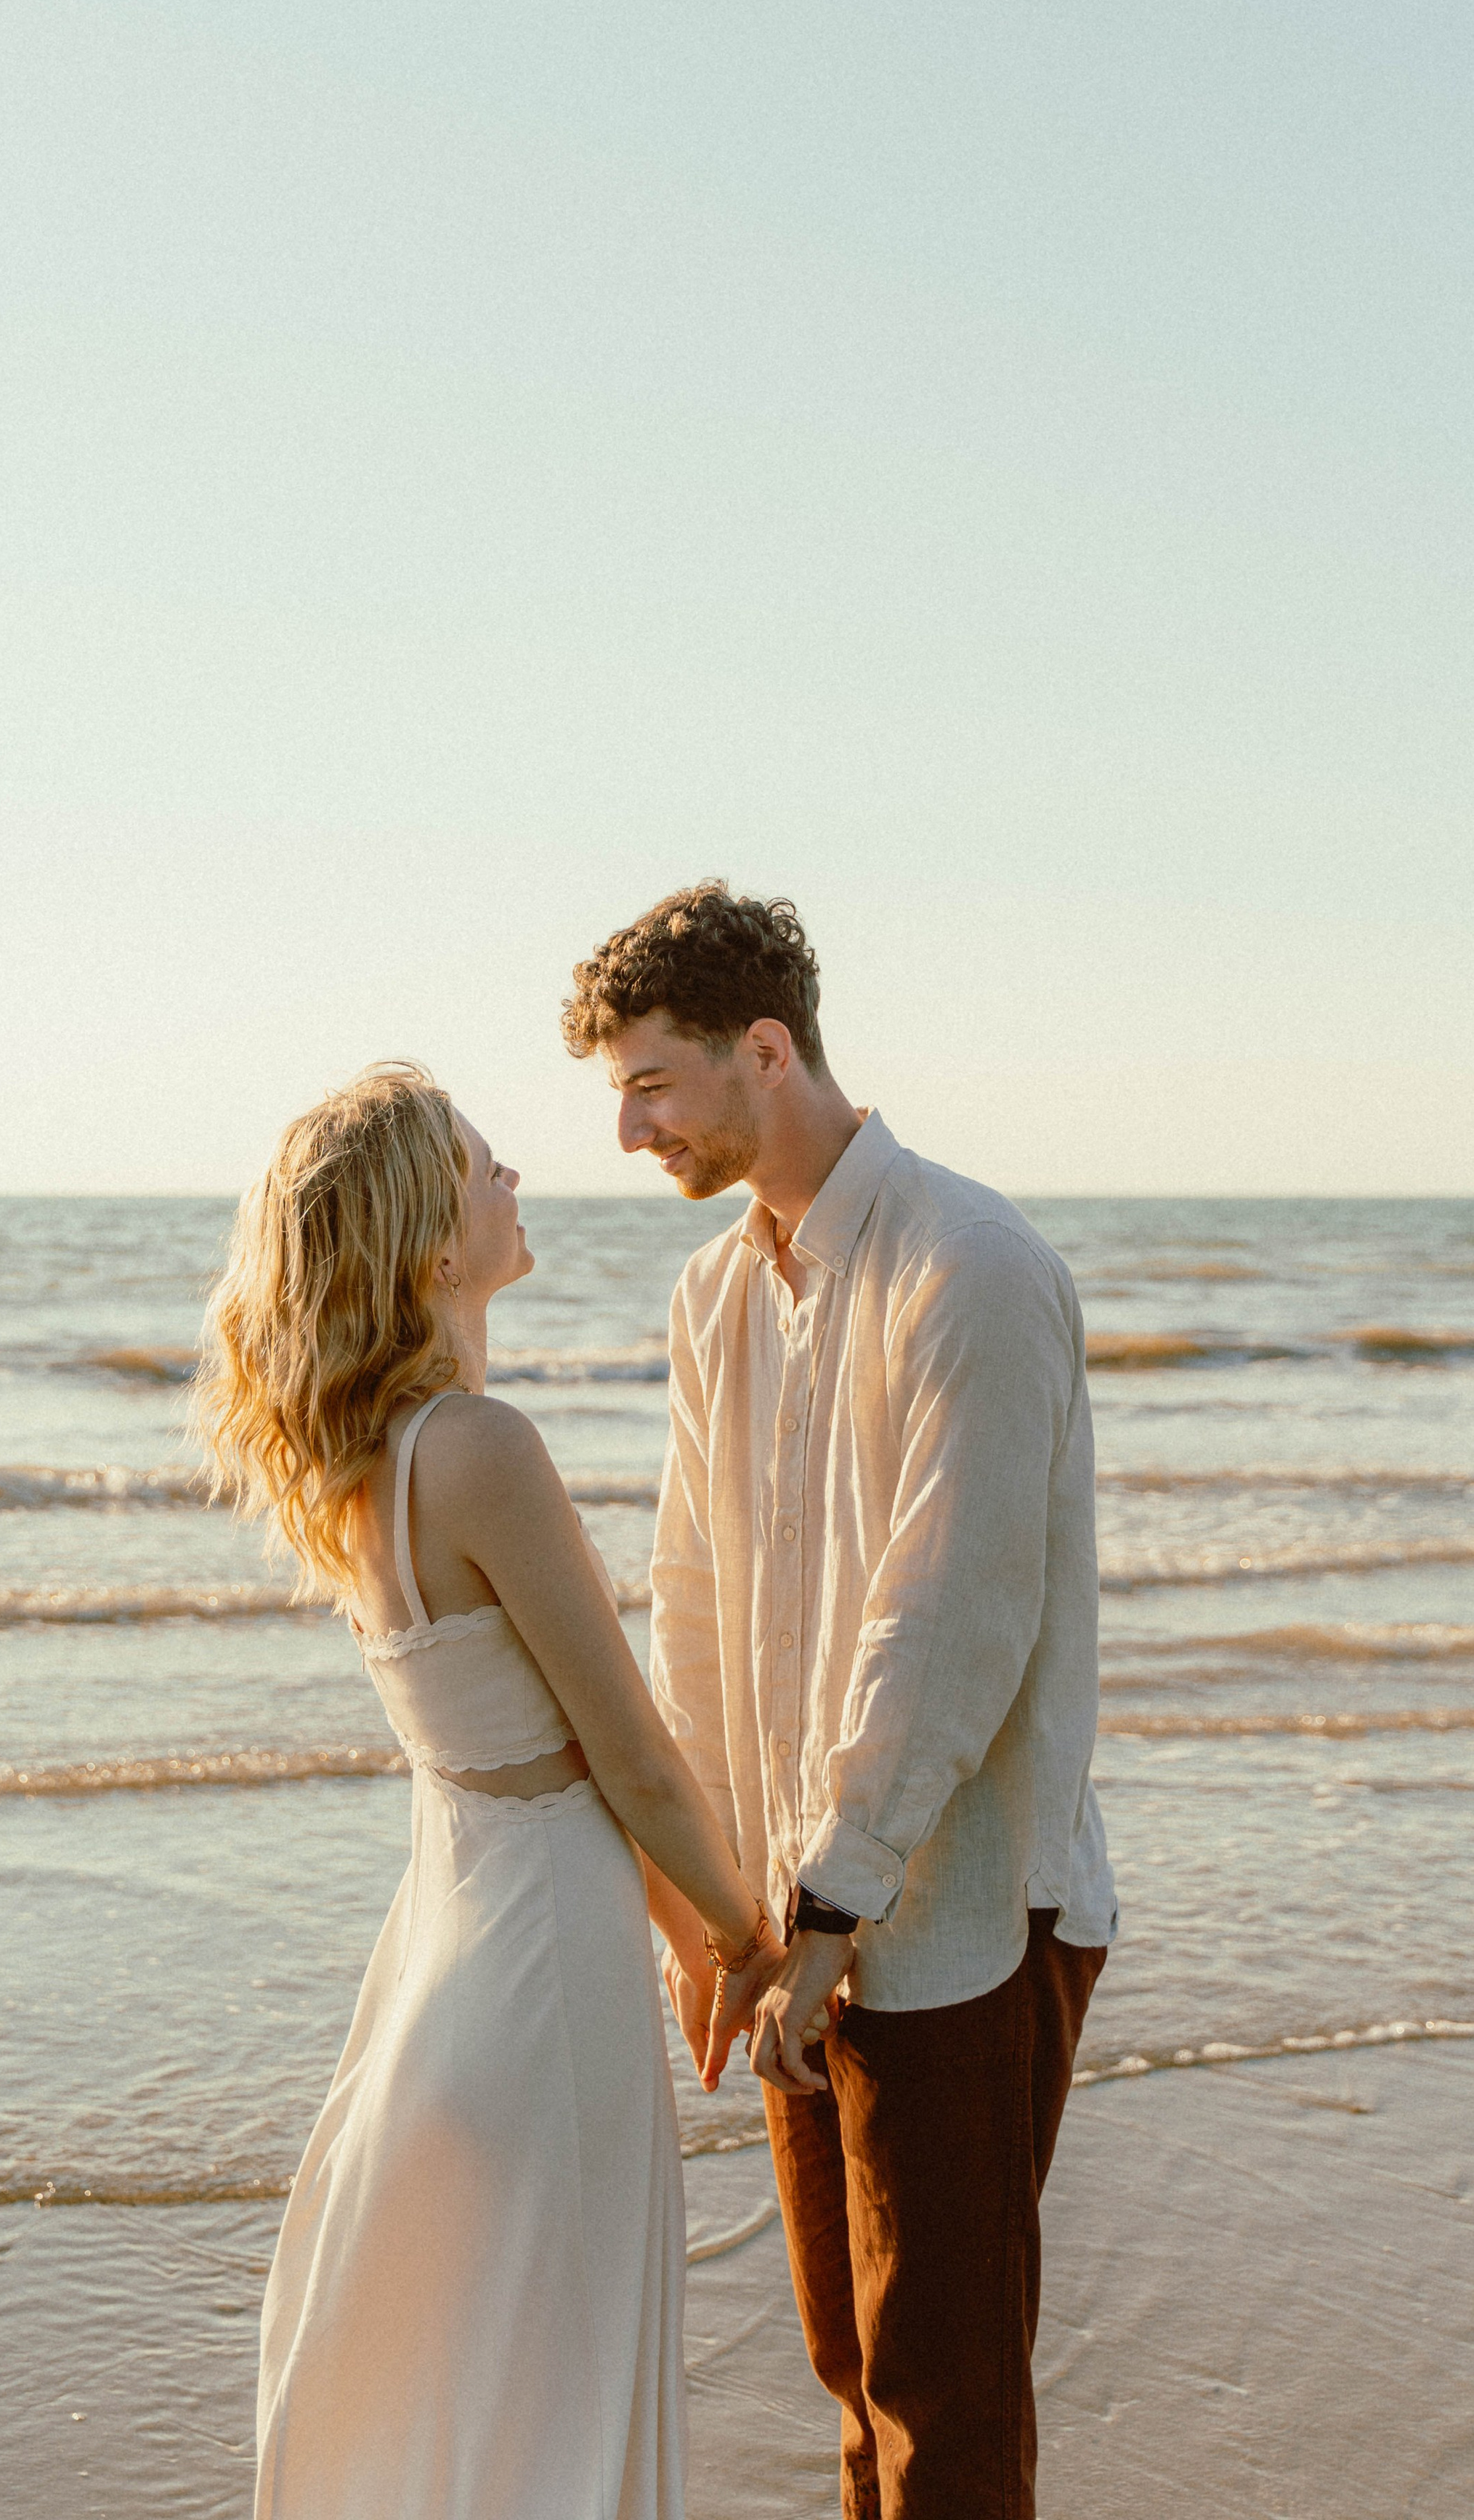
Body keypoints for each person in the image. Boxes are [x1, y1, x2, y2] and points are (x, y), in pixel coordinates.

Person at [563, 885, 1118, 2520]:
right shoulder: (713, 1300)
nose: (623, 1129)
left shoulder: (973, 1265)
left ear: (764, 1046)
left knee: (939, 2390)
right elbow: (699, 1613)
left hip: (951, 1918)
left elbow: (946, 1623)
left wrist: (823, 1903)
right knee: (848, 2370)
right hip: (791, 1920)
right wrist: (719, 1911)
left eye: (649, 1082)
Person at [198, 1061, 782, 2520]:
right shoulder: (478, 1448)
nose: (513, 1175)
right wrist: (746, 1936)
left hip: (456, 1955)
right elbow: (631, 1753)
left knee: (480, 2387)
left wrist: (679, 1931)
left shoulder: (360, 1471)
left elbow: (552, 1765)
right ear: (428, 1246)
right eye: (479, 1166)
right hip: (540, 1976)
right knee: (562, 2392)